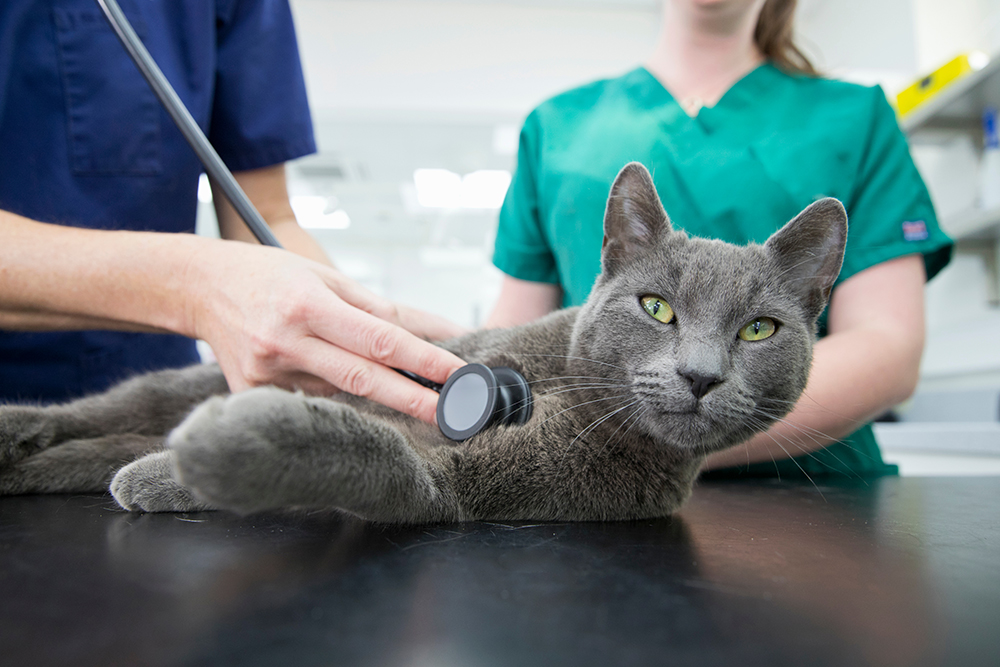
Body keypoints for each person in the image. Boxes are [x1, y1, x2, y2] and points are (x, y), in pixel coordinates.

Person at [486, 0, 953, 478]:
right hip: (583, 497)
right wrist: (435, 353)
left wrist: (634, 447)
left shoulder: (856, 117)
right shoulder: (555, 126)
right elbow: (518, 339)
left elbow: (888, 346)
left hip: (810, 501)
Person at [0, 0, 464, 424]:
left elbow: (266, 217)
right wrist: (192, 286)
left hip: (151, 414)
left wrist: (363, 336)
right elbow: (210, 279)